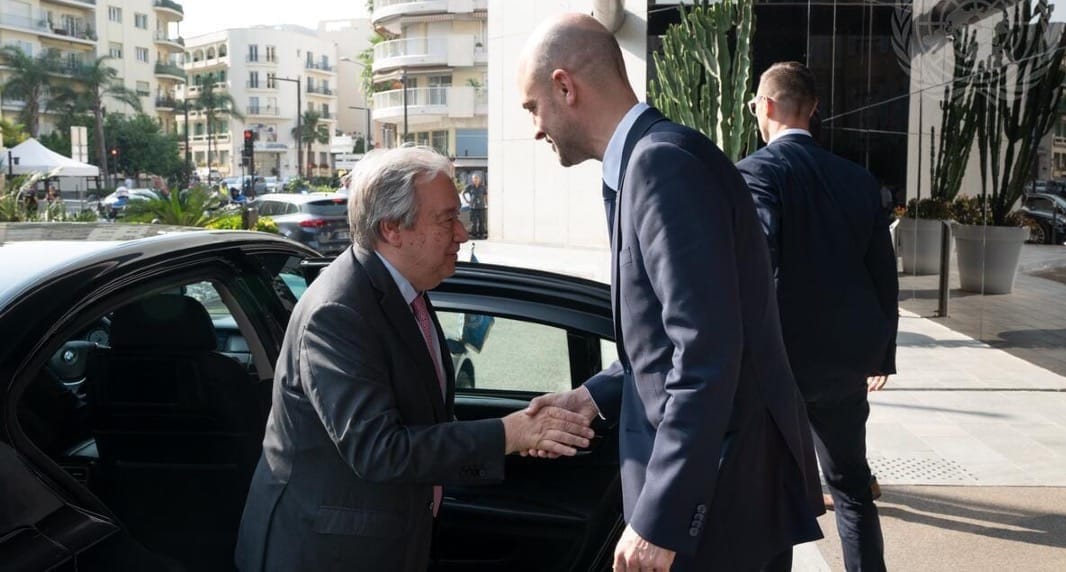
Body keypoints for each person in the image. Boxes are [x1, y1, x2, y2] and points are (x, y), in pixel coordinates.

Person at [517, 15, 823, 572]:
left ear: (566, 86)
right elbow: (666, 342)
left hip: (719, 501)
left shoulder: (660, 164)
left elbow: (706, 352)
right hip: (724, 487)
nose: (536, 128)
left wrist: (662, 516)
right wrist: (591, 396)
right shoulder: (651, 159)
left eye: (532, 107)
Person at [234, 146, 595, 572]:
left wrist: (523, 434)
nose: (463, 233)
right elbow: (378, 449)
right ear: (392, 228)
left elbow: (423, 420)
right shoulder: (340, 312)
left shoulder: (401, 291)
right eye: (447, 219)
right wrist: (508, 435)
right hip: (326, 554)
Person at [736, 61, 898, 572]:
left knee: (769, 494)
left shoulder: (756, 173)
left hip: (777, 365)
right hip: (843, 365)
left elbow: (757, 267)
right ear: (814, 110)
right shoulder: (858, 180)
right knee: (851, 489)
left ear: (764, 107)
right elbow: (882, 277)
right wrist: (881, 357)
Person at [462, 173, 488, 238]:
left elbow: (485, 195)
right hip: (473, 207)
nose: (476, 179)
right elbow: (463, 193)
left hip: (481, 207)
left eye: (477, 178)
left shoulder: (482, 187)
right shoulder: (470, 186)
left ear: (479, 179)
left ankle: (481, 235)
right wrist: (467, 201)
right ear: (472, 179)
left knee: (482, 222)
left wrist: (486, 203)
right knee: (474, 222)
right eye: (474, 178)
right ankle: (474, 235)